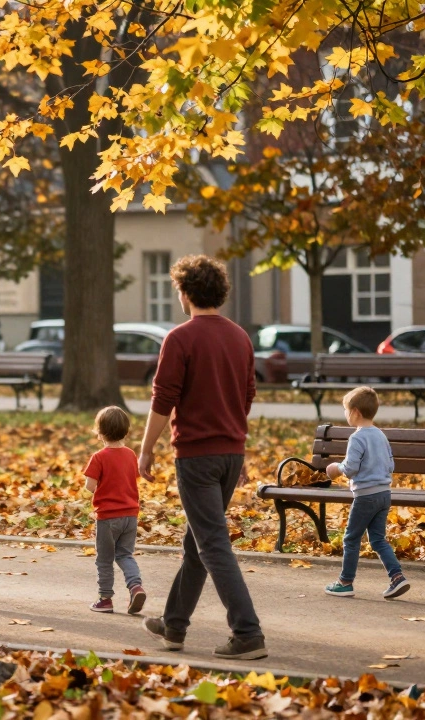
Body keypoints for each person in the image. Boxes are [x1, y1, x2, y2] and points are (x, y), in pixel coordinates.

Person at [137, 255, 266, 661]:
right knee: (198, 541)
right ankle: (174, 624)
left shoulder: (180, 338)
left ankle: (247, 632)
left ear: (186, 291)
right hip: (230, 454)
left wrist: (145, 448)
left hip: (197, 456)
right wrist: (234, 439)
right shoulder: (240, 337)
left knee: (212, 543)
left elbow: (164, 399)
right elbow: (246, 396)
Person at [323, 387, 410, 600]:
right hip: (384, 494)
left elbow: (351, 467)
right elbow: (391, 465)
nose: (345, 414)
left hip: (366, 496)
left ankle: (345, 582)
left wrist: (336, 468)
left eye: (346, 410)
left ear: (356, 412)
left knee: (351, 538)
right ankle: (397, 577)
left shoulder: (357, 438)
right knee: (378, 539)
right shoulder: (381, 435)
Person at [84, 406, 147, 614]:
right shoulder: (130, 455)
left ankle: (105, 599)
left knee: (104, 559)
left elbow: (90, 486)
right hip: (130, 515)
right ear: (126, 431)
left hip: (108, 517)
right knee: (125, 555)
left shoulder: (99, 457)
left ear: (100, 432)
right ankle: (135, 586)